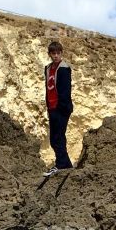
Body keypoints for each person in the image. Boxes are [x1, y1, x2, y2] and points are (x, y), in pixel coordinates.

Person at [44, 40, 73, 170]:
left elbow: (66, 90)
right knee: (53, 138)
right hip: (51, 107)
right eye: (53, 53)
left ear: (61, 53)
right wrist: (49, 106)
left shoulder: (64, 68)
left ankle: (61, 164)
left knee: (58, 137)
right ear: (49, 54)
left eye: (58, 53)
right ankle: (66, 165)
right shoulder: (48, 68)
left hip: (61, 108)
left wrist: (62, 107)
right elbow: (48, 88)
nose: (56, 55)